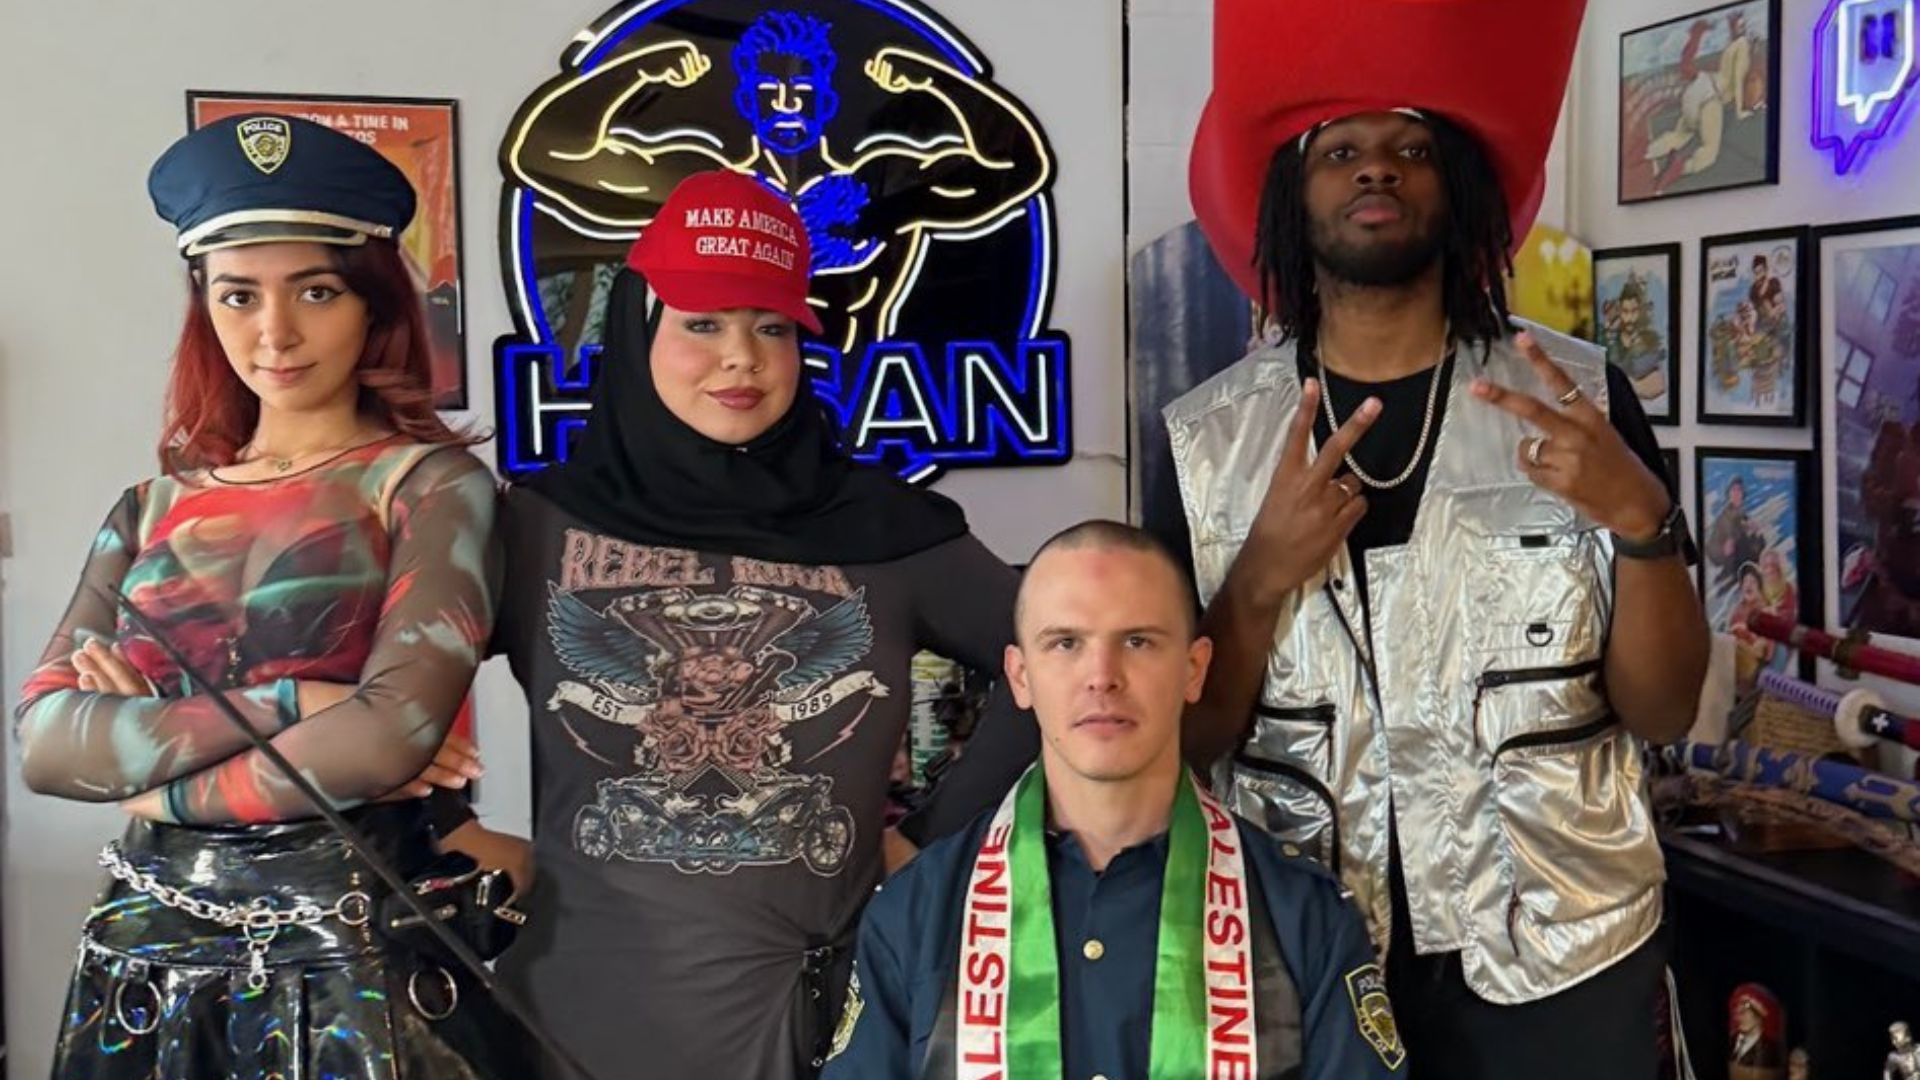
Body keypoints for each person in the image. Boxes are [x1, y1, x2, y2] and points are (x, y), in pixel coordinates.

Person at [1170, 2, 1711, 1076]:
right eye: (1340, 151)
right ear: (1290, 197)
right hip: (1308, 951)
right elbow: (1184, 741)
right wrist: (1258, 581)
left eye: (1412, 149)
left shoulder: (1580, 401)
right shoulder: (1204, 442)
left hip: (1565, 957)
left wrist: (1643, 523)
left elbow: (1664, 713)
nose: (1377, 168)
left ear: (1458, 187)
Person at [431, 169, 1037, 1079]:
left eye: (772, 327)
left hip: (814, 1019)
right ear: (638, 331)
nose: (741, 358)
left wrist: (937, 839)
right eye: (703, 324)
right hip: (578, 1015)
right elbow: (387, 686)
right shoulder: (537, 526)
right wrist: (446, 823)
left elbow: (1057, 666)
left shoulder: (887, 529)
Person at [13, 113, 521, 1077]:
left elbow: (385, 743)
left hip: (350, 955)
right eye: (238, 295)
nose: (274, 333)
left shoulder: (430, 486)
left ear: (372, 304)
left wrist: (144, 774)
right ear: (204, 305)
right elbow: (44, 745)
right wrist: (298, 703)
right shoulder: (148, 507)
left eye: (316, 292)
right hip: (141, 961)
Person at [824, 521, 1406, 1079]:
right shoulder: (916, 911)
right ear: (1020, 677)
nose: (1102, 676)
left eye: (1137, 641)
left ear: (1194, 669)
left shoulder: (1303, 913)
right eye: (1066, 643)